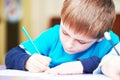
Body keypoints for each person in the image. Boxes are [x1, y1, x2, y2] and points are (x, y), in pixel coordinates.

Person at [5, 0, 120, 75]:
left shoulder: (109, 41)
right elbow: (11, 56)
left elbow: (115, 64)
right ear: (62, 20)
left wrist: (82, 65)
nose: (69, 44)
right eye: (65, 33)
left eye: (81, 41)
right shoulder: (53, 35)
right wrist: (27, 61)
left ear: (101, 37)